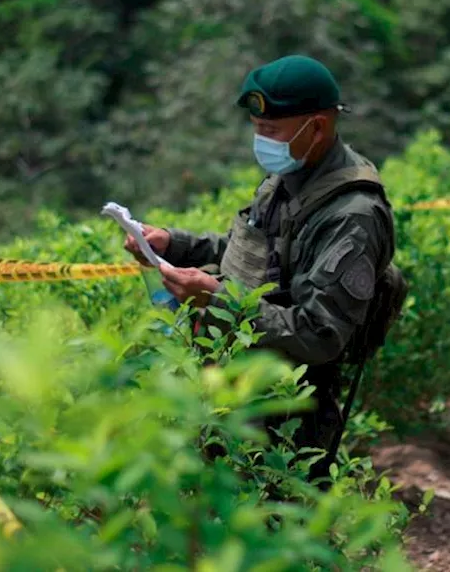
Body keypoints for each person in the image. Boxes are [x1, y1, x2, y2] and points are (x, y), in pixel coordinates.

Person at [122, 54, 399, 484]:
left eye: (271, 131)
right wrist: (174, 244)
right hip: (236, 390)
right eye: (257, 129)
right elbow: (252, 254)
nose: (262, 140)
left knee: (275, 534)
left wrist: (218, 298)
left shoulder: (352, 215)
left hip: (289, 417)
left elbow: (319, 332)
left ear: (318, 126)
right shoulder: (287, 180)